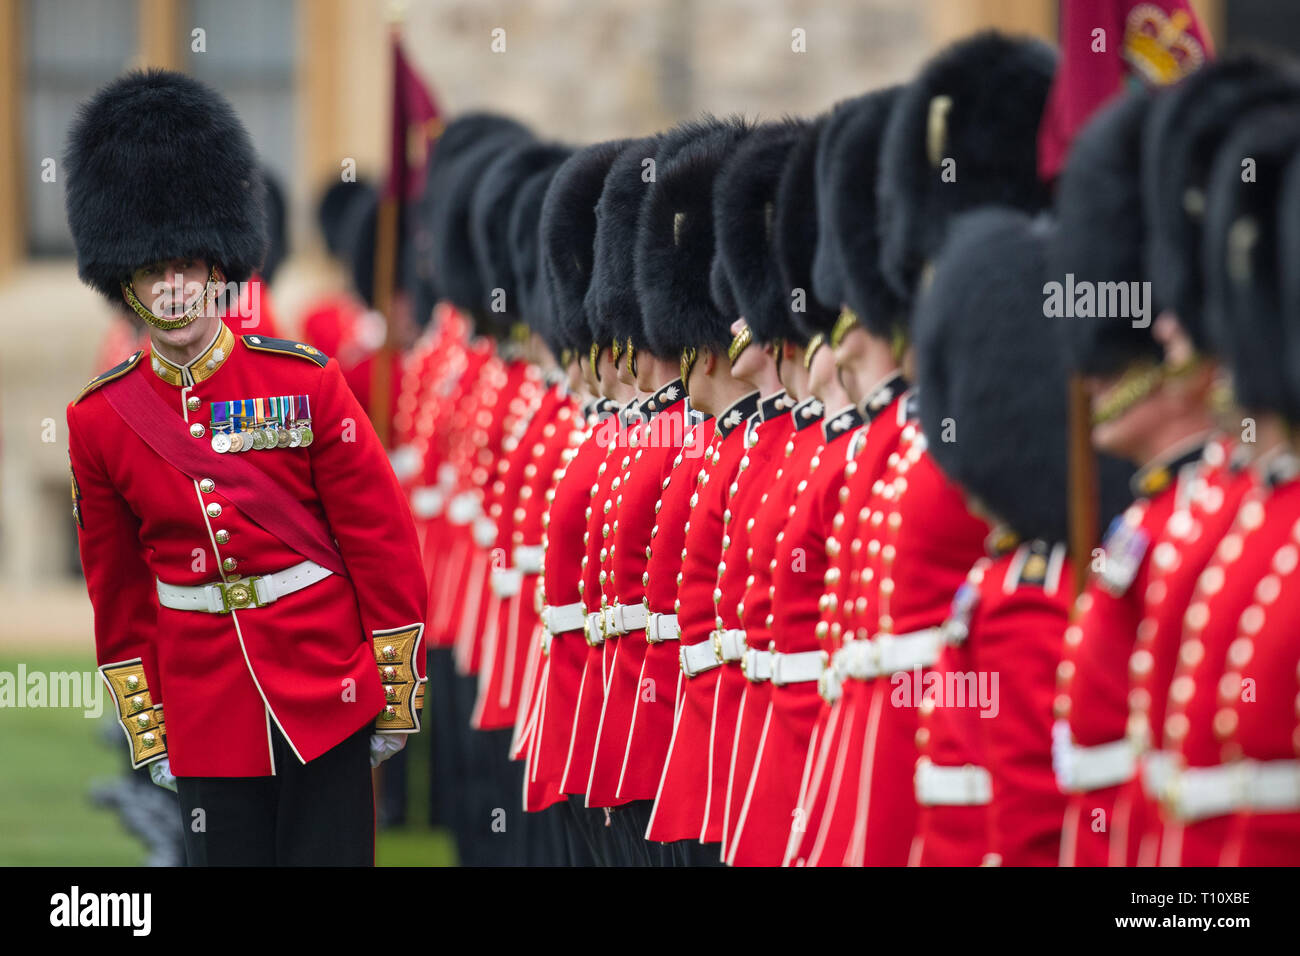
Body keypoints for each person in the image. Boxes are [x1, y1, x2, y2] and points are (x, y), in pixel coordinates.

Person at [64, 69, 426, 866]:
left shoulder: (303, 381)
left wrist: (393, 682)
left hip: (324, 689)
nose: (173, 287)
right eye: (154, 271)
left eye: (187, 267)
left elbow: (379, 539)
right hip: (204, 709)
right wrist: (145, 718)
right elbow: (118, 589)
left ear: (219, 269)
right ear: (125, 280)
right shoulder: (100, 421)